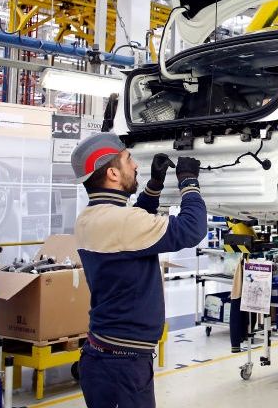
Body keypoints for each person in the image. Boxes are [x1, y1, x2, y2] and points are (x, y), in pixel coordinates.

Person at [71, 133, 208, 408]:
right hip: (123, 365)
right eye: (128, 159)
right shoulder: (121, 222)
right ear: (112, 173)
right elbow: (193, 230)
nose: (135, 166)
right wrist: (189, 183)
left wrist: (154, 186)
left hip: (103, 356)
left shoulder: (91, 218)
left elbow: (133, 226)